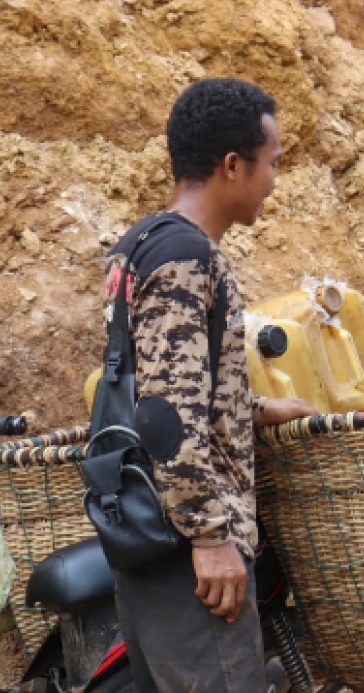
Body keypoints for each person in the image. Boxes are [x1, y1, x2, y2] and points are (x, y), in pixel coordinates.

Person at [101, 78, 318, 692]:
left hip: (146, 544)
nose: (274, 181)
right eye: (271, 164)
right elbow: (165, 415)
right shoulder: (187, 260)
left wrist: (253, 407)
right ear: (231, 165)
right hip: (187, 559)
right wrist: (210, 537)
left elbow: (156, 383)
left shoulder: (139, 246)